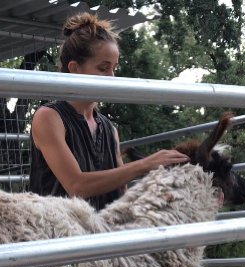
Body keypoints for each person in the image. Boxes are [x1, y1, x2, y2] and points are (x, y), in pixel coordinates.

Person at [29, 13, 190, 210]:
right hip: (58, 234)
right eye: (103, 68)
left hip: (102, 233)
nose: (112, 77)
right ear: (75, 68)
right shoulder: (48, 117)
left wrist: (181, 198)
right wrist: (144, 165)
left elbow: (122, 192)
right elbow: (76, 186)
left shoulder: (108, 128)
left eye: (114, 68)